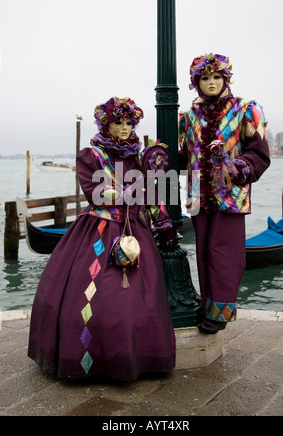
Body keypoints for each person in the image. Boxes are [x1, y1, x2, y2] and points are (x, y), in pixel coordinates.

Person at [28, 96, 177, 380]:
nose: (123, 127)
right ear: (106, 124)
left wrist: (163, 224)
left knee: (140, 299)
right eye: (117, 122)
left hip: (136, 232)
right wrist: (141, 182)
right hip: (98, 231)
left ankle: (138, 357)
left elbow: (153, 195)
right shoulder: (91, 155)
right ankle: (91, 361)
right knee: (95, 297)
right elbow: (98, 194)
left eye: (128, 122)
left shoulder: (137, 156)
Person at [178, 53, 270, 334]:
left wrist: (237, 167)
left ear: (226, 78)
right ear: (197, 83)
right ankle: (208, 307)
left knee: (226, 254)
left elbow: (259, 154)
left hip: (230, 195)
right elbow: (182, 156)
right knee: (204, 252)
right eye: (205, 78)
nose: (211, 83)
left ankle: (221, 313)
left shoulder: (246, 109)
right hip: (198, 195)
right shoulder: (187, 117)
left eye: (216, 77)